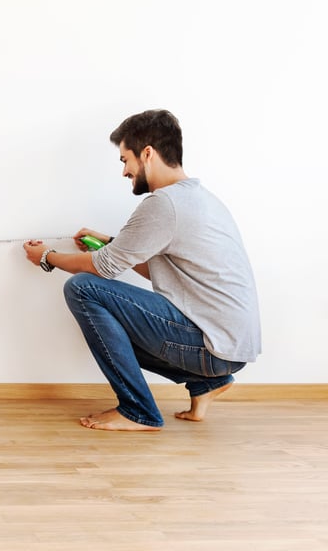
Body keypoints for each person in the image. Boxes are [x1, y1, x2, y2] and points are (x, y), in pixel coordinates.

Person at [23, 109, 261, 432]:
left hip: (212, 345)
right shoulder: (197, 198)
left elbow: (104, 267)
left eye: (125, 160)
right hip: (227, 348)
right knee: (112, 318)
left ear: (147, 153)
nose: (124, 171)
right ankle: (204, 385)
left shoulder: (164, 204)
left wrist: (48, 257)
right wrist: (106, 242)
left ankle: (138, 410)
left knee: (81, 288)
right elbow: (158, 271)